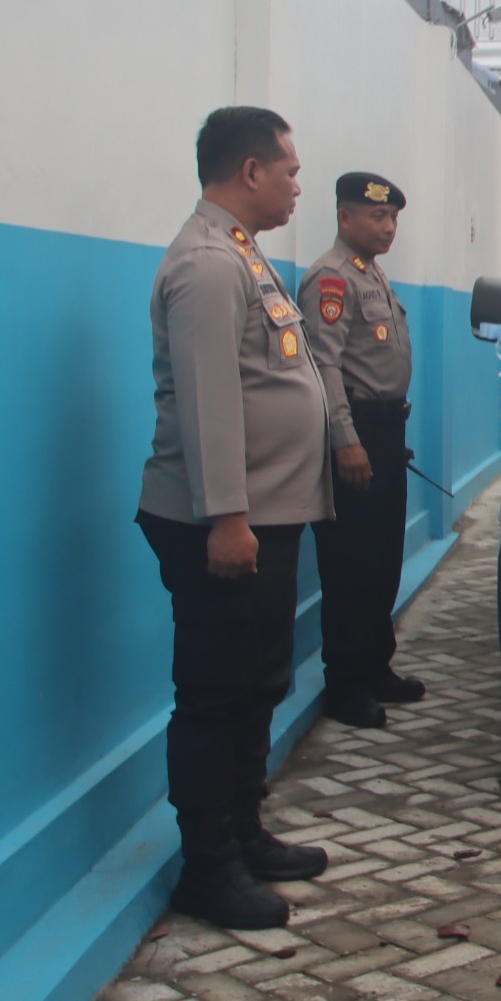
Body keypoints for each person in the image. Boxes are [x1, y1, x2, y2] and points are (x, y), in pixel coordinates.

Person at [137, 107, 335, 931]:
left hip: (262, 516)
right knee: (216, 693)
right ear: (250, 171)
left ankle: (244, 829)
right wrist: (226, 517)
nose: (297, 185)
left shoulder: (242, 255)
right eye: (289, 170)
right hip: (221, 524)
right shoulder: (208, 265)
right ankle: (207, 864)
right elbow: (210, 401)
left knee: (258, 681)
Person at [300, 172, 424, 731]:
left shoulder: (371, 275)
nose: (388, 226)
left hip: (387, 432)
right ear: (344, 217)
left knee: (382, 559)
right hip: (356, 434)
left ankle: (376, 667)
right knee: (351, 564)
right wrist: (345, 440)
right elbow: (324, 365)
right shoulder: (331, 279)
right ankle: (346, 684)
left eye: (393, 217)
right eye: (377, 216)